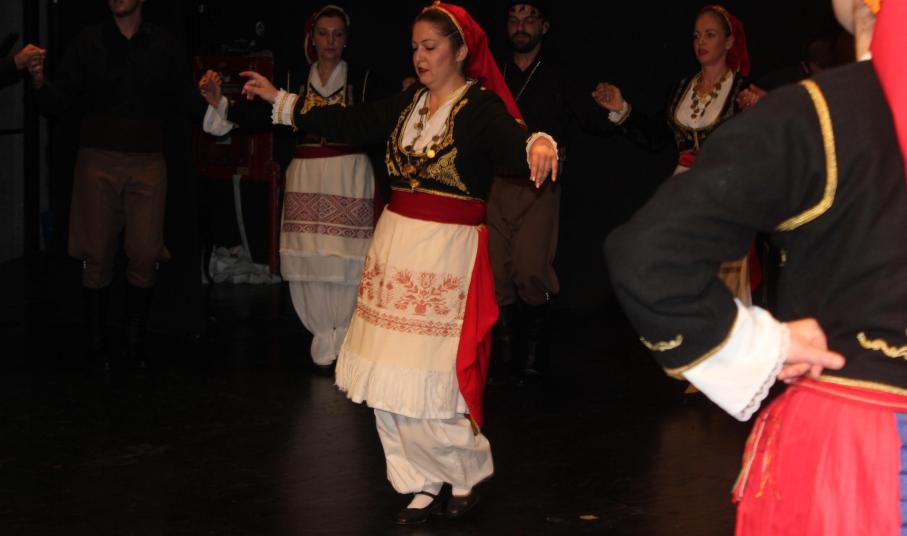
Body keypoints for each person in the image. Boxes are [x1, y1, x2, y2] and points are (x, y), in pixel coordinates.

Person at [239, 2, 559, 524]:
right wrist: (282, 101)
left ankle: (463, 471)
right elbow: (350, 119)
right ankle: (418, 479)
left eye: (430, 47)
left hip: (444, 256)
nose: (420, 56)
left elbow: (514, 139)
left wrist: (539, 142)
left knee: (429, 376)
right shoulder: (409, 103)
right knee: (386, 372)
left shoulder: (478, 108)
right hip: (395, 248)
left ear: (460, 50)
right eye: (415, 47)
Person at [605, 0, 906, 532]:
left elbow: (648, 254)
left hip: (859, 449)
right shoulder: (711, 94)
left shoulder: (820, 112)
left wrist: (763, 346)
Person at [200, 5, 383, 367]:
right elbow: (260, 115)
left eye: (338, 34)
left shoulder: (362, 80)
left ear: (347, 39)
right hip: (307, 176)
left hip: (349, 174)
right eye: (323, 34)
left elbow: (378, 122)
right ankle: (322, 332)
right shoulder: (293, 79)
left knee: (347, 257)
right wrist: (221, 103)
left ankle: (345, 335)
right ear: (312, 38)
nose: (330, 41)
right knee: (310, 257)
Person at [28, 0, 203, 368]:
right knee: (95, 253)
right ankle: (96, 345)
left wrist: (212, 97)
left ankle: (134, 343)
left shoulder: (163, 44)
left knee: (146, 250)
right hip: (97, 159)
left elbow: (187, 100)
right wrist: (40, 82)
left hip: (148, 159)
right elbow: (58, 100)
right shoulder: (88, 41)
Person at [488, 1, 621, 385]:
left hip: (539, 187)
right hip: (496, 184)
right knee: (497, 274)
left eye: (529, 19)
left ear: (544, 26)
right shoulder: (493, 74)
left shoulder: (560, 75)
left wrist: (616, 110)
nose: (520, 25)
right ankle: (505, 353)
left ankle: (534, 350)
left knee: (530, 270)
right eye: (513, 19)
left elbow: (591, 120)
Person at [594, 4, 758, 306]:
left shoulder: (742, 91)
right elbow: (656, 137)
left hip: (723, 195)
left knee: (722, 282)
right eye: (696, 35)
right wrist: (621, 108)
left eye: (710, 34)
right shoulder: (682, 89)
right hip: (682, 194)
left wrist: (760, 108)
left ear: (729, 41)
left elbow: (762, 144)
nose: (701, 42)